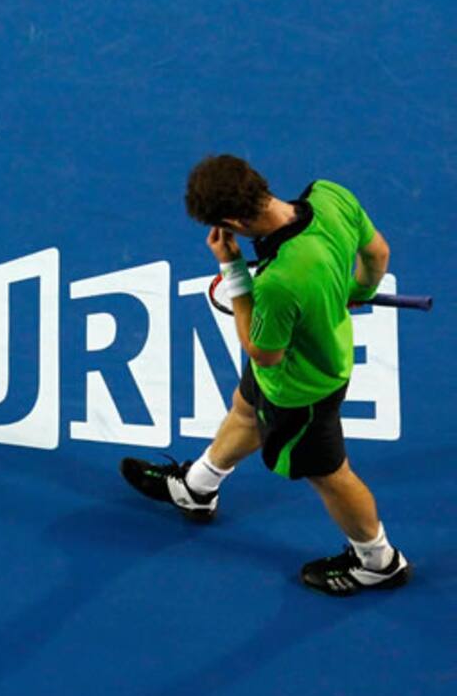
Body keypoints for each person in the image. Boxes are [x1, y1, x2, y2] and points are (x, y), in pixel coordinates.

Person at [120, 154, 411, 597]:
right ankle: (198, 488)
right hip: (311, 355)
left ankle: (378, 561)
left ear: (233, 220)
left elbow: (264, 352)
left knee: (331, 475)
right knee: (245, 410)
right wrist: (357, 292)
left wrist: (234, 273)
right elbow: (378, 253)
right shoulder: (330, 195)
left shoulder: (278, 283)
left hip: (303, 387)